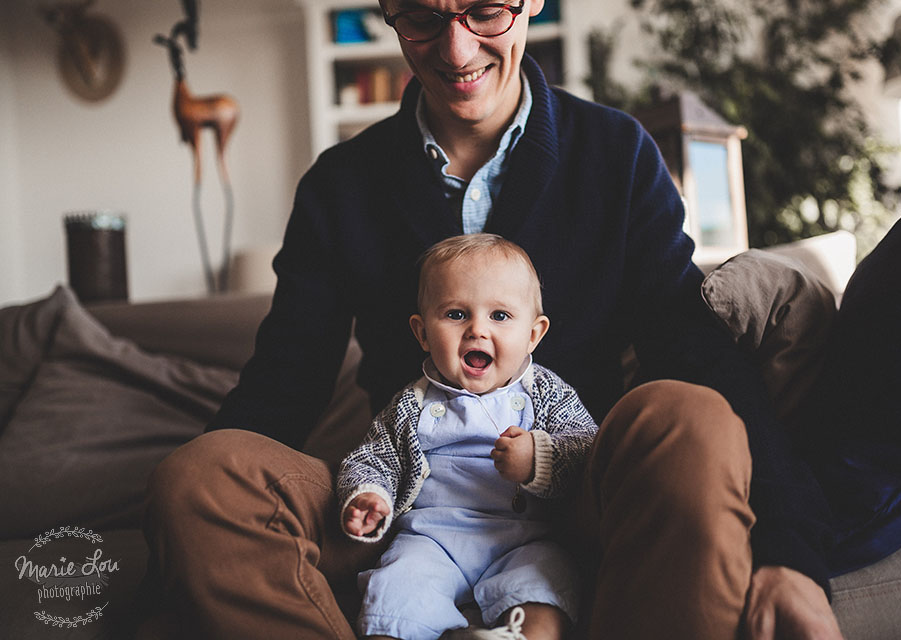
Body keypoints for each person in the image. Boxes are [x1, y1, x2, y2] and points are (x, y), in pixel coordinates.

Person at [140, 0, 844, 638]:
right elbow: (280, 387)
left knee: (695, 416)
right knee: (198, 478)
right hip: (408, 503)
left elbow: (695, 351)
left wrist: (791, 553)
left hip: (575, 489)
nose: (453, 50)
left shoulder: (616, 154)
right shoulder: (340, 187)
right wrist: (177, 556)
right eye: (420, 16)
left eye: (484, 11)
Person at [338, 234, 596, 639]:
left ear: (533, 334)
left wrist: (539, 458)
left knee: (546, 587)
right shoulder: (412, 403)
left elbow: (588, 448)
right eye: (457, 314)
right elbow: (372, 457)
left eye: (500, 316)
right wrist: (370, 494)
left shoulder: (546, 393)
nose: (477, 330)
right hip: (431, 540)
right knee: (394, 592)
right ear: (423, 333)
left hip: (524, 541)